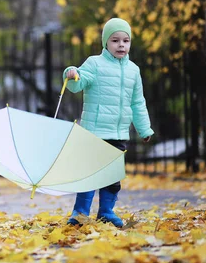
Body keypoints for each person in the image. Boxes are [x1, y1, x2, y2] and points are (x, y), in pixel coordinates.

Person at [63, 17, 154, 228]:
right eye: (115, 40)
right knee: (89, 174)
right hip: (94, 132)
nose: (121, 45)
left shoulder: (134, 70)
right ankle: (79, 213)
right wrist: (72, 73)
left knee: (112, 178)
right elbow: (78, 83)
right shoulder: (94, 63)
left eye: (125, 40)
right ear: (106, 42)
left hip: (119, 133)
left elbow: (137, 102)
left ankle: (106, 212)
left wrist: (144, 128)